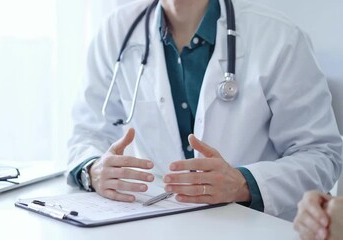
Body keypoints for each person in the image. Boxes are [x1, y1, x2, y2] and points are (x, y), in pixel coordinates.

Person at [67, 0, 342, 221]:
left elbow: (321, 155)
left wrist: (244, 183)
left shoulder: (279, 37)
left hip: (251, 225)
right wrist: (93, 170)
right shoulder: (116, 31)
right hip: (156, 223)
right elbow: (86, 132)